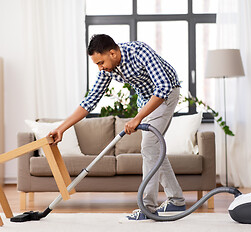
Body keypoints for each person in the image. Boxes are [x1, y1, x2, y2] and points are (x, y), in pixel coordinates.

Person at [48, 34, 186, 220]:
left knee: (149, 147)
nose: (100, 67)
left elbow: (162, 87)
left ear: (112, 53)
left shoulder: (139, 52)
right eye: (97, 64)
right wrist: (61, 128)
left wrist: (137, 118)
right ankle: (176, 200)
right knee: (154, 149)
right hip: (147, 99)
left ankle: (148, 208)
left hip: (166, 95)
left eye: (101, 62)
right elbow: (90, 101)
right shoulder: (109, 68)